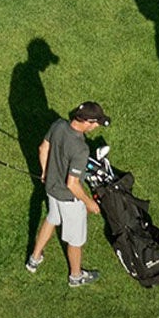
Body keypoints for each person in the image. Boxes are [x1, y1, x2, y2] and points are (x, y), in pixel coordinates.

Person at [26, 101, 110, 287]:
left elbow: (43, 148)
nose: (97, 126)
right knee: (75, 240)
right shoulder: (81, 148)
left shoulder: (58, 124)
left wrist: (45, 173)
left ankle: (34, 258)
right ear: (87, 122)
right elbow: (72, 184)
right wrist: (88, 202)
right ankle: (76, 276)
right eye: (96, 123)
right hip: (68, 199)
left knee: (52, 219)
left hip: (51, 188)